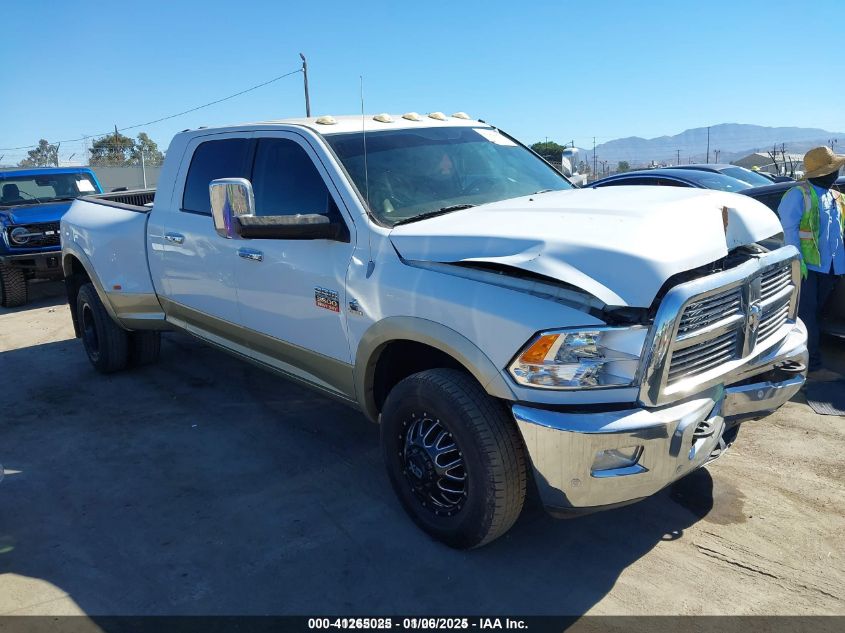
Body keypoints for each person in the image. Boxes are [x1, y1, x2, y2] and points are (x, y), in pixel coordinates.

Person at [777, 146, 845, 374]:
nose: (837, 173)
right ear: (822, 173)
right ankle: (812, 367)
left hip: (832, 268)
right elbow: (790, 234)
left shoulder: (836, 196)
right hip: (807, 268)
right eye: (833, 169)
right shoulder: (798, 195)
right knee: (806, 318)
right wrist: (798, 265)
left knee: (816, 316)